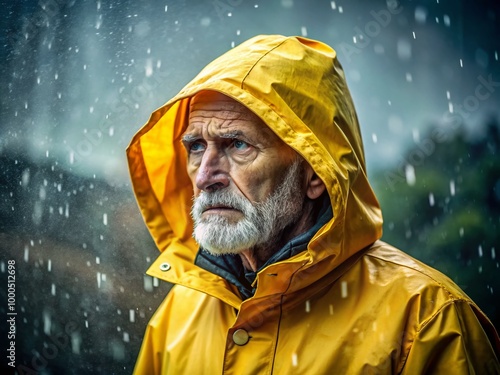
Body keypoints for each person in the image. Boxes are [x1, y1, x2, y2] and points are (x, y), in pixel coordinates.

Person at [127, 35, 499, 374]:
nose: (206, 175)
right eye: (196, 147)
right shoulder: (178, 315)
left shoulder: (427, 319)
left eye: (237, 145)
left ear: (317, 174)